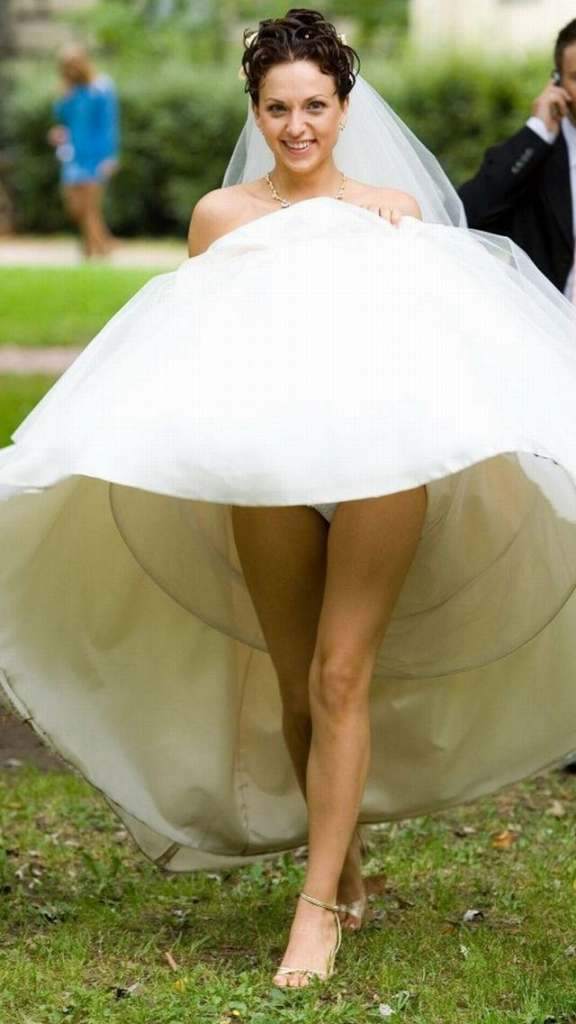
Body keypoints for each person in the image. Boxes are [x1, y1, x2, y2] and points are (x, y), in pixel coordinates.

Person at [1, 7, 576, 991]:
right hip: (265, 470)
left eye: (315, 105)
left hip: (382, 466)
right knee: (295, 683)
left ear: (344, 107)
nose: (298, 126)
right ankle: (338, 861)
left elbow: (435, 356)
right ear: (255, 112)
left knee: (342, 674)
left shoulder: (393, 210)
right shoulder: (219, 220)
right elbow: (189, 351)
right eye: (278, 109)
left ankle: (316, 914)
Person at [459, 18, 576, 298]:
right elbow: (465, 214)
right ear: (557, 83)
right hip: (548, 319)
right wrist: (537, 132)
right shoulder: (532, 157)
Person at [48, 44, 120, 258]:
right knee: (75, 207)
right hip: (73, 155)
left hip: (96, 156)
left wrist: (110, 157)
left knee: (90, 206)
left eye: (74, 65)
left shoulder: (102, 88)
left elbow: (109, 124)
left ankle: (93, 250)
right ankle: (104, 244)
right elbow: (63, 119)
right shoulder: (71, 92)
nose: (71, 70)